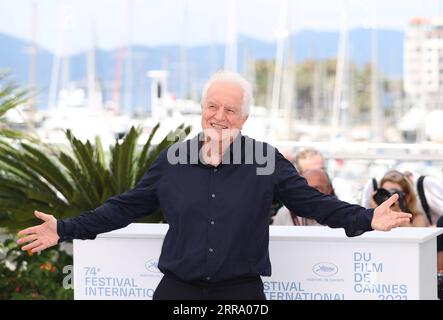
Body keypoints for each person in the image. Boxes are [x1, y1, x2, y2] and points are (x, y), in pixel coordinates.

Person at [17, 71, 412, 300]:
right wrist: (64, 228)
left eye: (230, 109)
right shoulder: (172, 161)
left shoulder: (267, 160)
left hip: (241, 297)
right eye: (212, 106)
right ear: (201, 109)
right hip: (177, 293)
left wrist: (367, 218)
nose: (219, 116)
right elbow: (125, 206)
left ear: (244, 118)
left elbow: (313, 203)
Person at [361, 170, 443, 226]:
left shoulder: (417, 218)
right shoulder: (377, 217)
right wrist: (374, 211)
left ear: (407, 196)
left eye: (394, 193)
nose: (389, 198)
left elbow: (414, 240)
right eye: (385, 192)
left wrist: (398, 213)